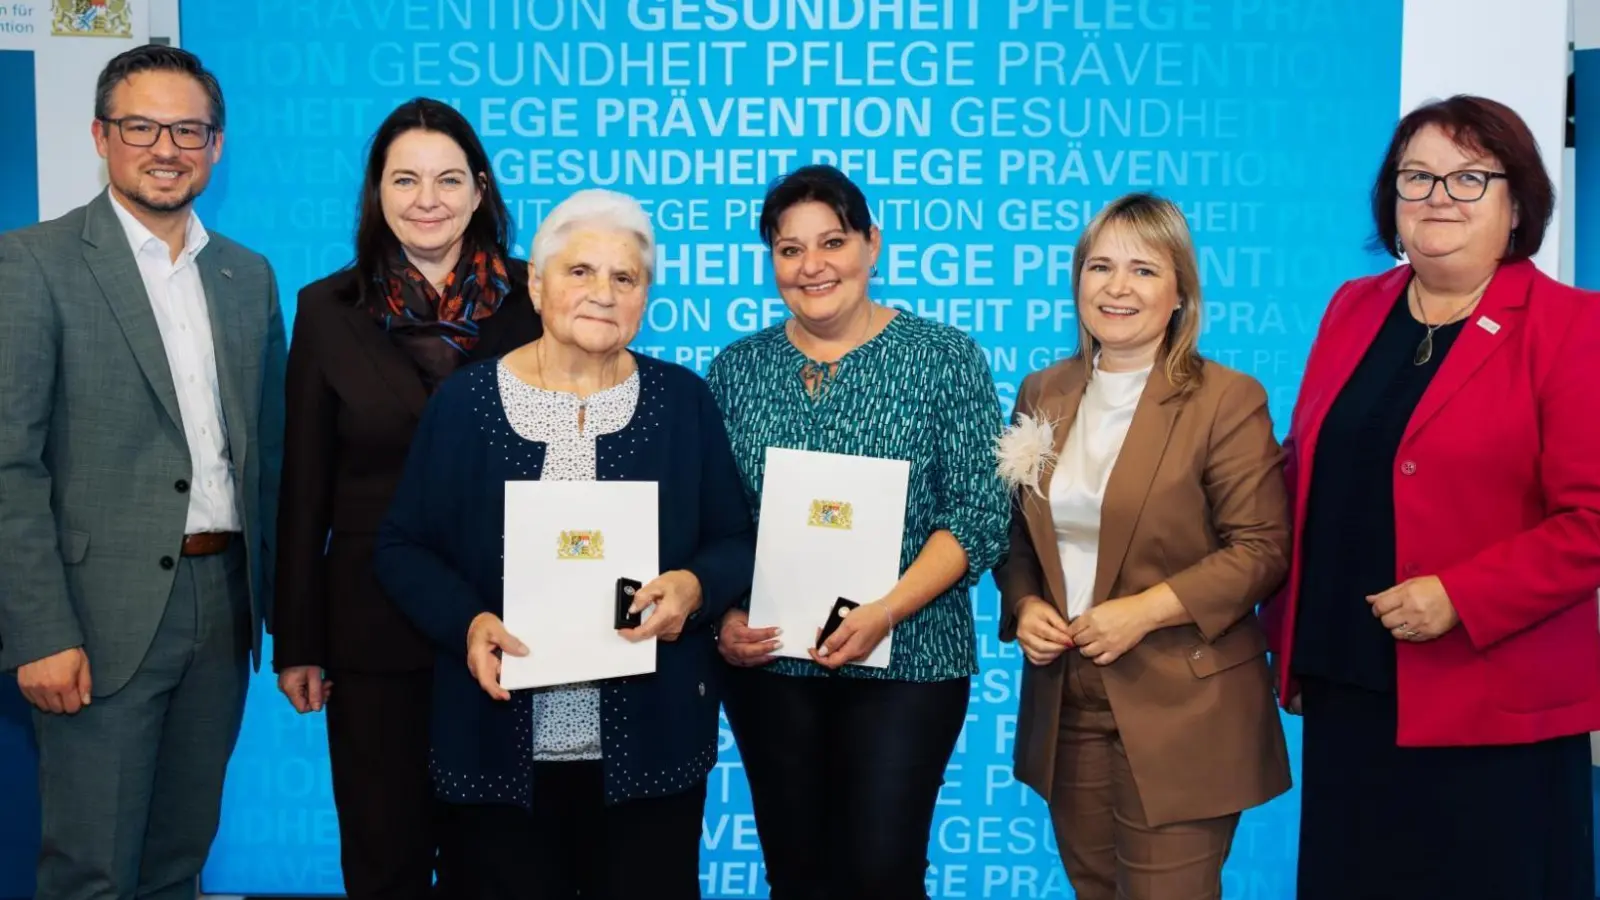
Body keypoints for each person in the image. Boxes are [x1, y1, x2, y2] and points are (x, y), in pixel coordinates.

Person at [372, 188, 754, 900]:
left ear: (645, 298)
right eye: (580, 272)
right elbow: (401, 546)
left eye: (625, 278)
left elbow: (735, 539)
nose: (602, 294)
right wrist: (469, 622)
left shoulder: (684, 402)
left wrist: (696, 589)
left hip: (650, 750)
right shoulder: (465, 404)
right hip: (496, 751)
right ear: (537, 285)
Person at [1263, 94, 1600, 900]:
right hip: (1351, 683)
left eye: (1469, 178)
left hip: (1490, 699)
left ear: (1518, 204)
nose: (1438, 197)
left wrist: (1460, 594)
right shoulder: (1353, 308)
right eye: (1417, 177)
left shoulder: (1572, 327)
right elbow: (1303, 468)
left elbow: (1590, 520)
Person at [0, 45, 284, 900]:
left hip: (223, 604)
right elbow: (9, 461)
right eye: (141, 126)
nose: (167, 148)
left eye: (188, 129)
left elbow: (268, 455)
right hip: (96, 618)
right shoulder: (33, 263)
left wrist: (286, 615)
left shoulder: (247, 275)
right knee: (91, 869)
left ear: (217, 145)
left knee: (177, 863)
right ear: (100, 135)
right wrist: (40, 630)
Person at [708, 164, 1011, 900]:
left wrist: (885, 610)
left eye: (833, 241)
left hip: (909, 658)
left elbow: (978, 512)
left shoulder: (945, 358)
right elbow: (712, 522)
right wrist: (722, 617)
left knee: (882, 873)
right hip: (771, 667)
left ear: (872, 245)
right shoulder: (736, 370)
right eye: (788, 249)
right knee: (798, 876)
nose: (811, 266)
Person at [271, 97, 542, 900]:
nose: (427, 198)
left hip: (512, 624)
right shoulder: (328, 308)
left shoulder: (540, 300)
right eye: (406, 179)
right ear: (377, 192)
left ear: (480, 188)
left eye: (448, 178)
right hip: (370, 623)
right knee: (384, 857)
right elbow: (304, 484)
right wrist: (298, 639)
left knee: (496, 863)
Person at [991, 193, 1291, 900]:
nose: (1117, 287)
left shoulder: (1225, 398)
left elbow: (1262, 548)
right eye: (1100, 267)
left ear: (1181, 291)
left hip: (1184, 704)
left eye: (1143, 270)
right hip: (1070, 701)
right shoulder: (1046, 389)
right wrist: (1025, 601)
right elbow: (1017, 535)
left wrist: (1146, 609)